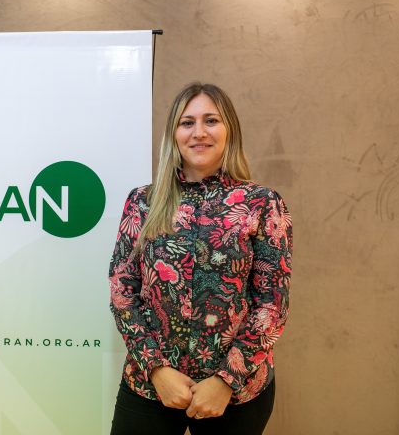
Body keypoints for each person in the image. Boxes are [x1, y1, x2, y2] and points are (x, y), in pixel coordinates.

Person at [108, 83, 293, 435]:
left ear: (229, 130)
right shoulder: (143, 202)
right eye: (187, 122)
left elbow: (272, 305)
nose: (199, 132)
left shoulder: (261, 203)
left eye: (211, 120)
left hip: (236, 394)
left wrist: (226, 380)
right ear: (174, 134)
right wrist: (157, 369)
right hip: (150, 386)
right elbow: (122, 291)